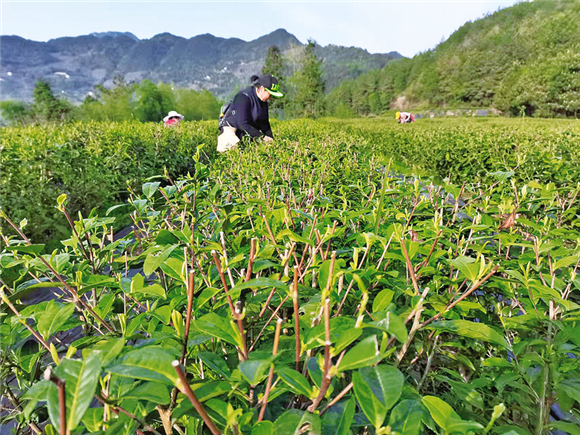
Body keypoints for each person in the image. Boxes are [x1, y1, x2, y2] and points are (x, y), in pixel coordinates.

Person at [217, 74, 283, 152]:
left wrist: (271, 140)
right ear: (261, 89)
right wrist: (262, 137)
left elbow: (264, 124)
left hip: (248, 131)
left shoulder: (263, 102)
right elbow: (242, 124)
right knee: (231, 151)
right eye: (270, 94)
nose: (271, 97)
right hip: (232, 129)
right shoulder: (243, 97)